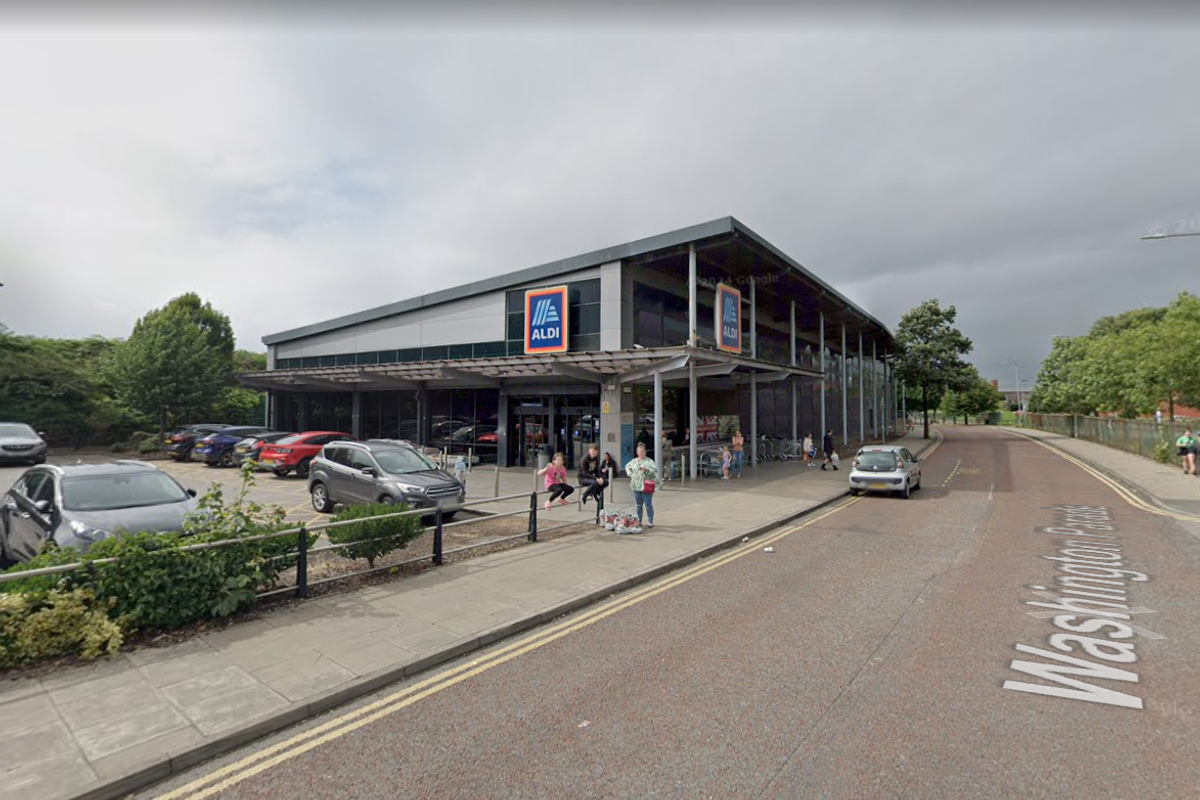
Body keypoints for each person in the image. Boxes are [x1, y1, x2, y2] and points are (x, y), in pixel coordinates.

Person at [624, 442, 658, 530]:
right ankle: (639, 521)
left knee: (648, 504)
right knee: (638, 505)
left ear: (645, 452)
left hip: (646, 486)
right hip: (636, 486)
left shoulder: (649, 461)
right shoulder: (634, 461)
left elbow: (654, 471)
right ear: (637, 452)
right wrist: (631, 474)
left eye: (642, 452)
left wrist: (646, 469)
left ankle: (650, 521)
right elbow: (627, 466)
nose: (641, 453)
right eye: (639, 452)